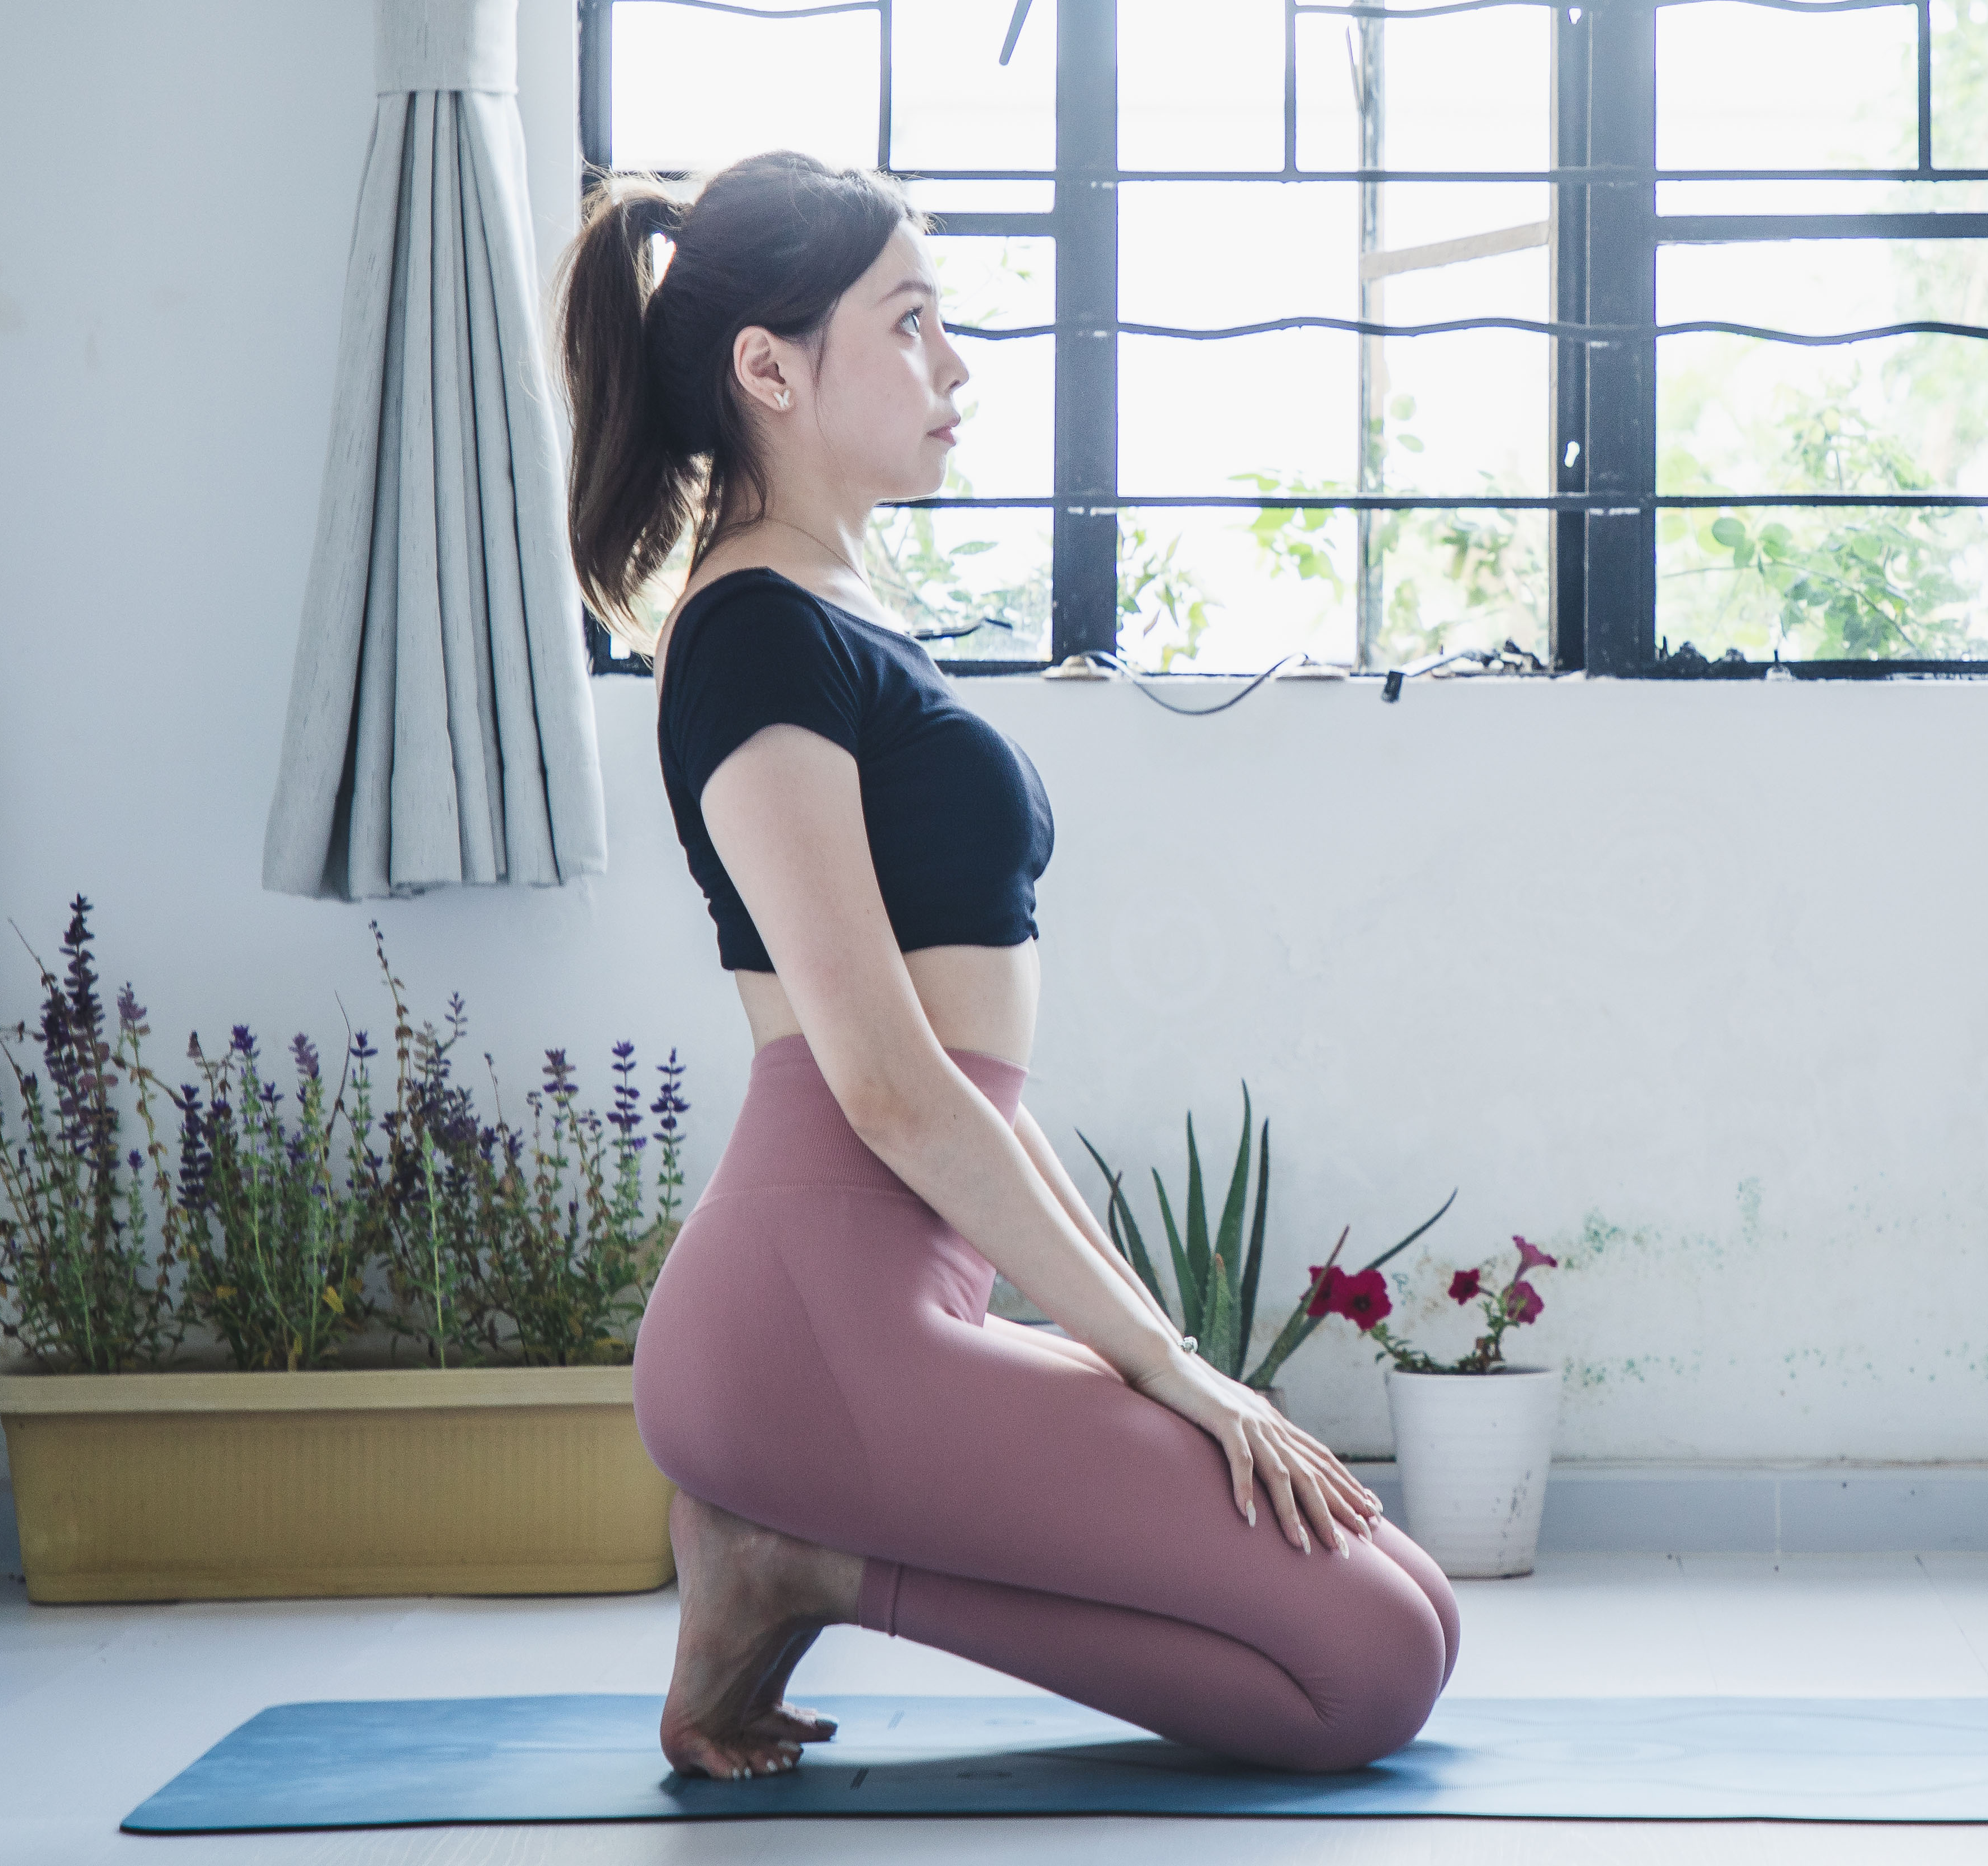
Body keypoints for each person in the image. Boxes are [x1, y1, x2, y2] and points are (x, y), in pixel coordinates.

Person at [552, 149, 1459, 1784]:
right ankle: (799, 1558)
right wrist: (1168, 1371)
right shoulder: (750, 631)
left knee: (1409, 1597)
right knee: (1371, 1664)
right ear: (769, 367)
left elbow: (977, 1097)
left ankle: (795, 1553)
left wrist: (1160, 1351)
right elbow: (888, 1084)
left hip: (900, 1295)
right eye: (907, 323)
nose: (953, 365)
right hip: (805, 1323)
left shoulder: (842, 615)